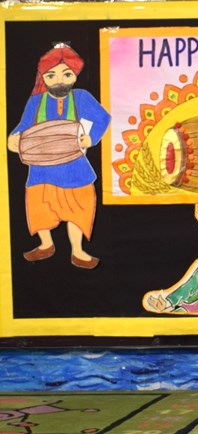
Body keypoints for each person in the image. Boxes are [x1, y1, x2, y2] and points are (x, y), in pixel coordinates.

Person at [7, 43, 111, 269]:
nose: (59, 81)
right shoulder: (36, 102)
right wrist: (13, 139)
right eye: (51, 75)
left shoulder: (81, 97)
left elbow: (103, 118)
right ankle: (46, 244)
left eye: (66, 74)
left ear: (75, 75)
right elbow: (23, 126)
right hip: (41, 170)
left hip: (75, 169)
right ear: (43, 77)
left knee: (78, 209)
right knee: (40, 207)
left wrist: (91, 138)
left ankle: (77, 251)